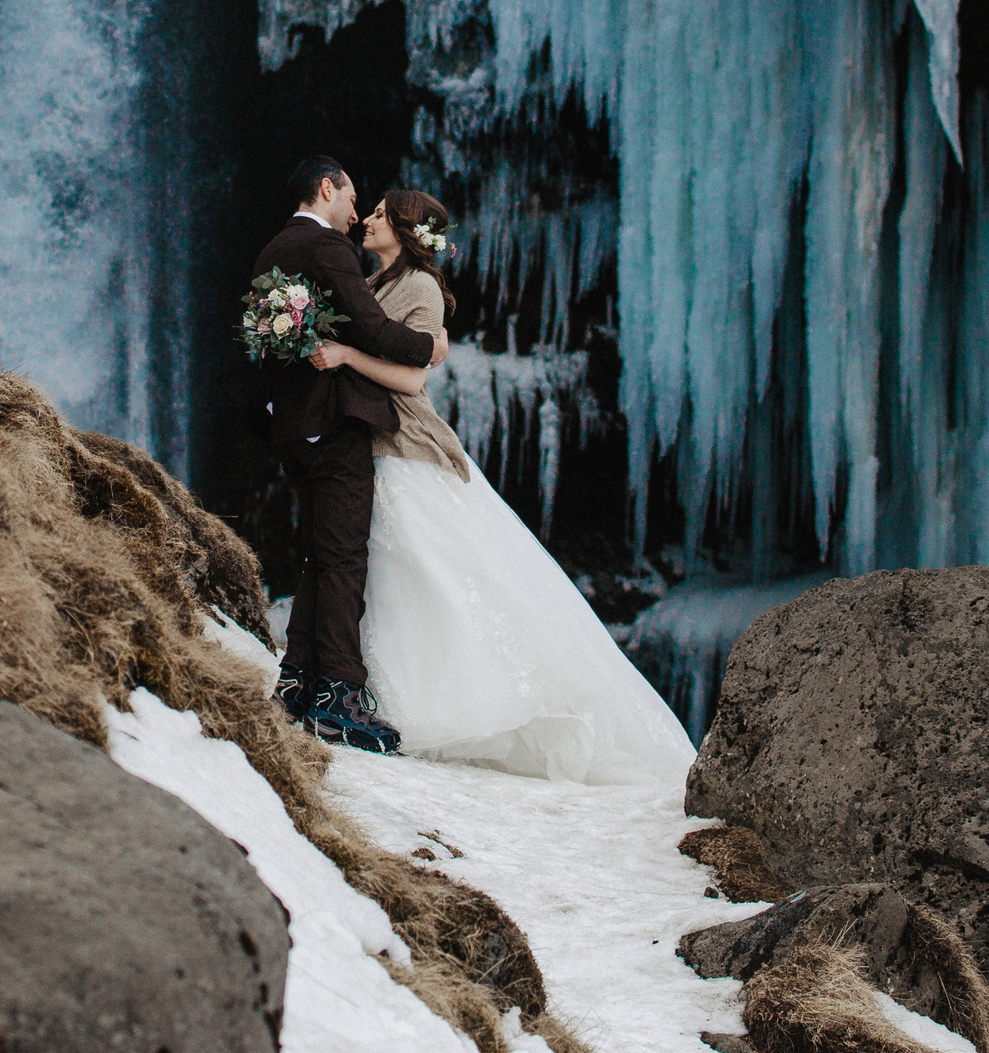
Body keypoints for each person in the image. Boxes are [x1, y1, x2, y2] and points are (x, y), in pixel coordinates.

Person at [307, 190, 697, 786]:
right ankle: (364, 690)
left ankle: (432, 704)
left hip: (403, 443)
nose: (369, 219)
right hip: (368, 442)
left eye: (383, 213)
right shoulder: (376, 282)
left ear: (407, 229)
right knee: (389, 570)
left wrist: (345, 357)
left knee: (422, 568)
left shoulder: (420, 286)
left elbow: (410, 379)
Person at [252, 156, 447, 753]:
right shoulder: (327, 247)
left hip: (293, 426)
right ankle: (338, 697)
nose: (358, 214)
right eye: (355, 199)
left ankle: (297, 682)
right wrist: (430, 347)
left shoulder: (271, 251)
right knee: (342, 561)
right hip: (333, 425)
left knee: (319, 556)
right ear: (326, 188)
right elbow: (372, 329)